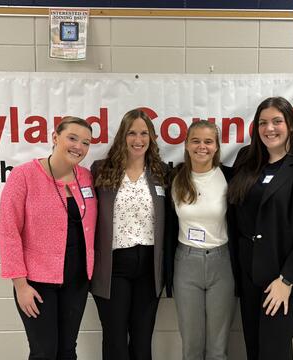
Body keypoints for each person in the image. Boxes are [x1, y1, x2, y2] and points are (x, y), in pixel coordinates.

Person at [227, 97, 293, 360]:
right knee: (255, 348)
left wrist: (287, 280)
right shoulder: (246, 160)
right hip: (250, 273)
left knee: (273, 351)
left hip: (286, 277)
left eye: (277, 121)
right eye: (263, 123)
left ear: (291, 126)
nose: (269, 128)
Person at [0, 116, 97, 360]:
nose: (79, 147)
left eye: (85, 142)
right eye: (72, 138)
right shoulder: (23, 176)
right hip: (37, 283)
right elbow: (9, 232)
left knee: (67, 350)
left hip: (76, 280)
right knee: (44, 352)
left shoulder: (86, 177)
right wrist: (20, 285)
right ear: (55, 137)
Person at [90, 108, 168, 360]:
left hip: (149, 267)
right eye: (132, 133)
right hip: (114, 267)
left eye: (144, 133)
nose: (138, 139)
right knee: (115, 340)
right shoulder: (101, 169)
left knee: (143, 339)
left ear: (152, 137)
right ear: (122, 136)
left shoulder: (162, 172)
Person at [165, 120, 238, 360]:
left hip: (222, 263)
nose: (202, 146)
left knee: (218, 349)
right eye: (195, 140)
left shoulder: (229, 176)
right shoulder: (174, 177)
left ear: (217, 146)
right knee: (191, 347)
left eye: (208, 141)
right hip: (186, 263)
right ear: (186, 144)